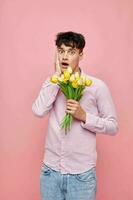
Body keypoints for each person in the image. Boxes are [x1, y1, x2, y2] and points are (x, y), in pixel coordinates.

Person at [32, 31, 118, 200]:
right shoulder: (51, 83)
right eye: (61, 51)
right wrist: (56, 78)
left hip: (82, 177)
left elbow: (113, 125)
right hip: (50, 173)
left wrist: (85, 116)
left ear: (81, 54)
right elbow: (38, 111)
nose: (65, 56)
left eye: (71, 52)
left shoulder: (96, 87)